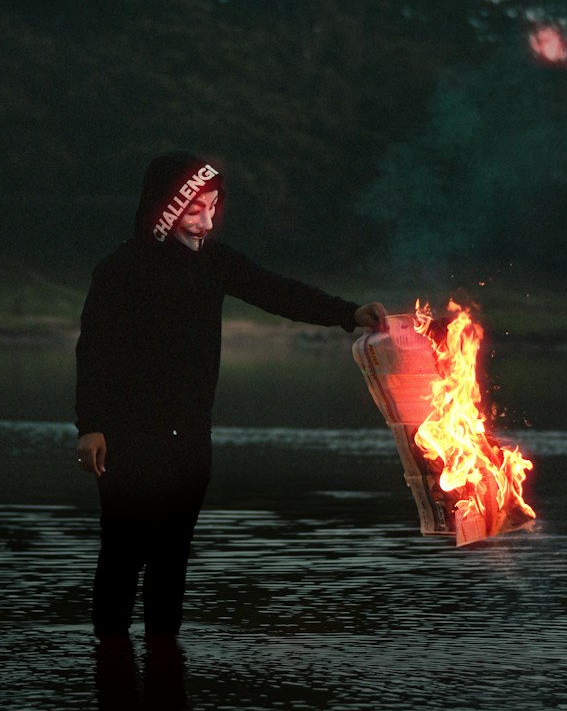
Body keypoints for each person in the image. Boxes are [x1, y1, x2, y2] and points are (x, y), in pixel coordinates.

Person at [75, 151, 387, 637]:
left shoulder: (216, 264)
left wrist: (350, 314)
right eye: (195, 208)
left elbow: (278, 292)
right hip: (127, 436)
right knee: (123, 552)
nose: (206, 220)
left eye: (213, 207)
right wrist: (90, 425)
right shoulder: (121, 269)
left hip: (191, 436)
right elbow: (94, 350)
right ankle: (108, 663)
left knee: (172, 558)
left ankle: (163, 663)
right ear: (167, 206)